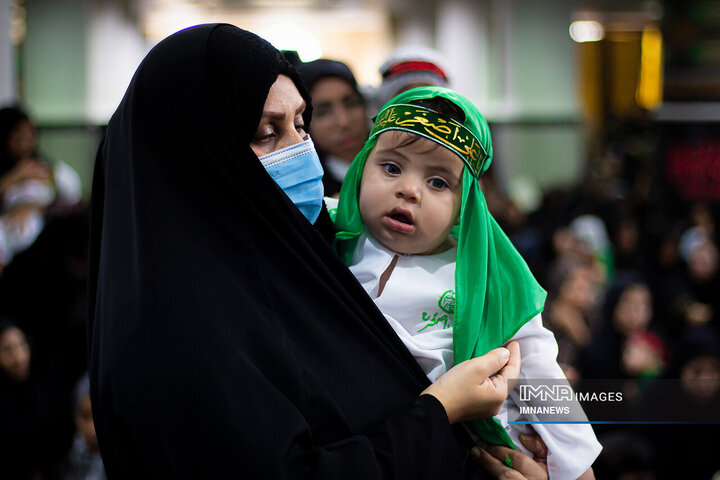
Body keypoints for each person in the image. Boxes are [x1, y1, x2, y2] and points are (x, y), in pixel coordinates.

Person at [88, 23, 549, 479]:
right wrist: (441, 411)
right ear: (194, 153)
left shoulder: (312, 250)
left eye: (300, 124)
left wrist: (557, 457)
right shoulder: (170, 334)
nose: (301, 151)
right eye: (267, 133)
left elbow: (538, 366)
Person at [329, 86, 601, 479]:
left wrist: (578, 468)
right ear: (360, 166)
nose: (408, 189)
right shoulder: (328, 237)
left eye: (438, 182)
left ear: (465, 204)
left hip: (456, 451)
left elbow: (540, 374)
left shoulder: (487, 277)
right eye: (391, 167)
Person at [0, 106, 82, 271]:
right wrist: (15, 177)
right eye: (18, 135)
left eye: (30, 133)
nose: (26, 140)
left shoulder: (44, 167)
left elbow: (72, 196)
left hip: (38, 236)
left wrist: (34, 207)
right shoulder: (9, 169)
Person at [299, 58, 370, 196]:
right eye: (322, 112)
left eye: (351, 103)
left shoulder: (401, 163)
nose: (344, 122)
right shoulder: (310, 195)